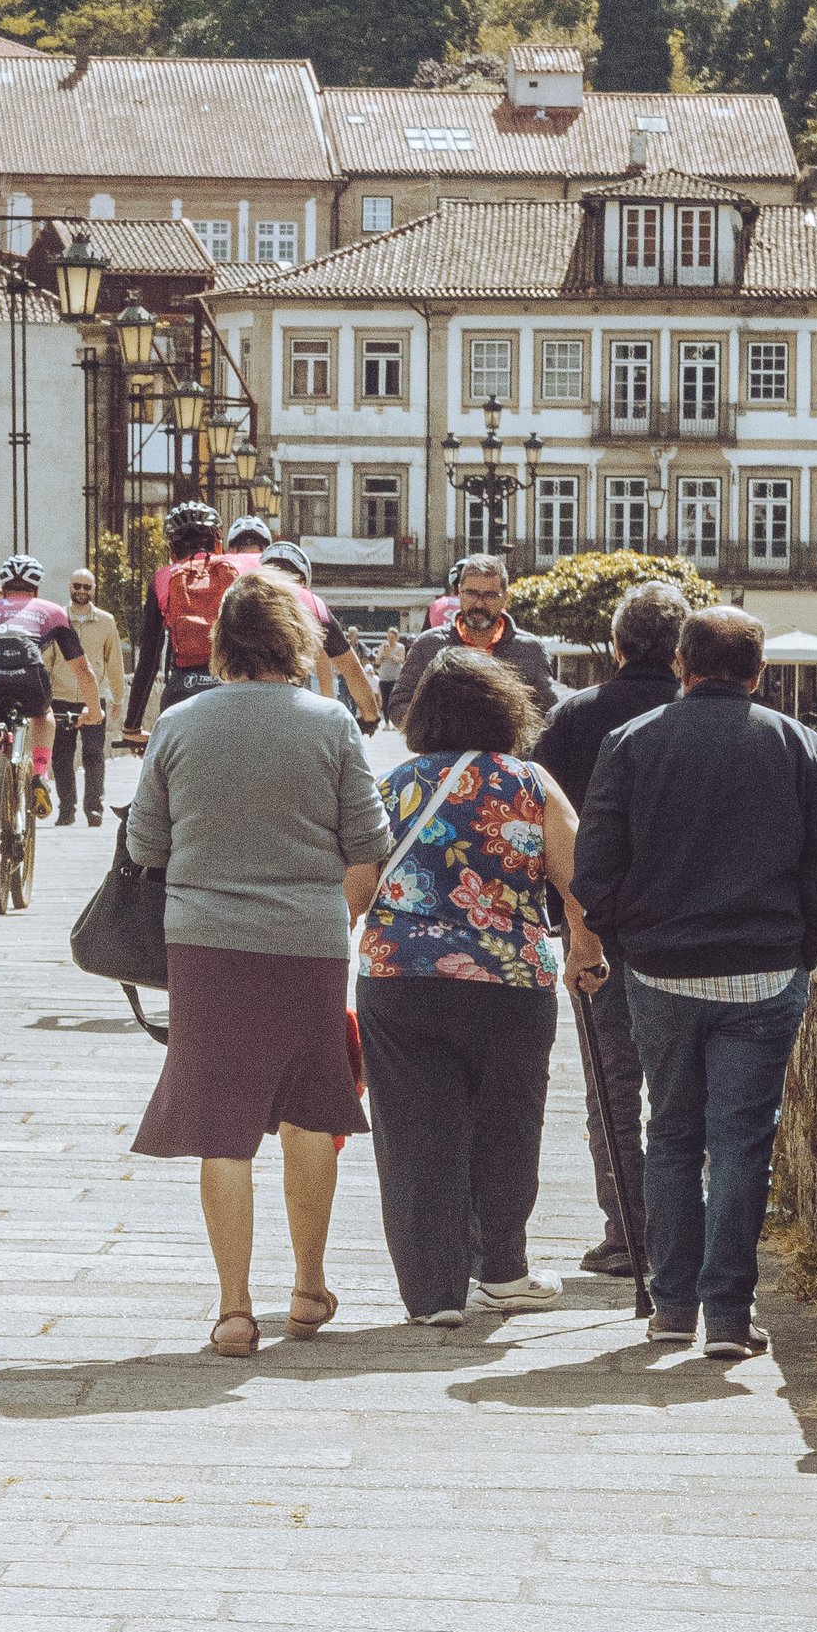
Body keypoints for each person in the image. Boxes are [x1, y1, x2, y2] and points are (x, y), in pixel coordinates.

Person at [570, 605, 817, 1358]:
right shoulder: (801, 748)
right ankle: (728, 1315)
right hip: (764, 974)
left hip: (663, 972)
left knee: (670, 1134)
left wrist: (631, 939)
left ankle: (672, 1308)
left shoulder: (631, 744)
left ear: (682, 666)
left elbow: (594, 875)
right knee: (741, 1143)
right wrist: (801, 950)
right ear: (759, 673)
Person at [124, 572, 390, 1355]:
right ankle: (307, 1289)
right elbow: (367, 847)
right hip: (308, 941)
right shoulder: (331, 723)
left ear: (222, 643)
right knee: (311, 1110)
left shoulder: (180, 723)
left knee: (221, 1125)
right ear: (295, 642)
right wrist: (330, 907)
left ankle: (234, 1310)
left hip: (204, 942)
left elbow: (145, 845)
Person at [357, 650, 599, 1324]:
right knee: (508, 1123)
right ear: (506, 711)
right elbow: (577, 879)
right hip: (510, 981)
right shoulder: (529, 783)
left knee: (415, 1131)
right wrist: (585, 950)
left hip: (402, 977)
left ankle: (433, 1296)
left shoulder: (396, 785)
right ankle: (502, 1270)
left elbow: (357, 884)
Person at [531, 578, 692, 1278]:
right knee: (685, 1093)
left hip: (597, 929)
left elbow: (542, 831)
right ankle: (682, 1229)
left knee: (613, 1088)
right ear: (681, 649)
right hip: (691, 936)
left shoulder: (574, 721)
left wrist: (570, 928)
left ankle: (627, 1231)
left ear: (619, 644)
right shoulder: (706, 719)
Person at [0, 556, 101, 883]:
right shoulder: (50, 611)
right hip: (30, 682)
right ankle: (39, 774)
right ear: (36, 587)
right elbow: (83, 671)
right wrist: (94, 710)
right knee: (42, 715)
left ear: (3, 587)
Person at [121, 501, 257, 745]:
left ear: (172, 550)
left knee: (161, 772)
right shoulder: (243, 568)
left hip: (183, 688)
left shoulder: (163, 578)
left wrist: (132, 726)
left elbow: (149, 659)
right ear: (217, 542)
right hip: (235, 684)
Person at [387, 554, 557, 727]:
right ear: (459, 592)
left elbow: (550, 713)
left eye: (489, 595)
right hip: (446, 752)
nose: (478, 604)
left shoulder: (530, 649)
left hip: (507, 753)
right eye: (471, 593)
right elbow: (399, 704)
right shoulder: (429, 644)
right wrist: (441, 733)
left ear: (506, 597)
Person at [260, 540, 382, 731]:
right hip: (294, 704)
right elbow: (351, 668)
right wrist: (371, 717)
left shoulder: (239, 597)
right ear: (302, 579)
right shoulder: (310, 602)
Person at [52, 565, 125, 827]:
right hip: (60, 697)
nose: (81, 591)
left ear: (94, 590)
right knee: (61, 756)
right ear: (70, 587)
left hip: (93, 699)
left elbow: (114, 661)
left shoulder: (106, 621)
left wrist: (118, 698)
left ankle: (94, 810)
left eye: (87, 586)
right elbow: (48, 658)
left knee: (94, 754)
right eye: (77, 586)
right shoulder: (58, 618)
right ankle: (66, 809)